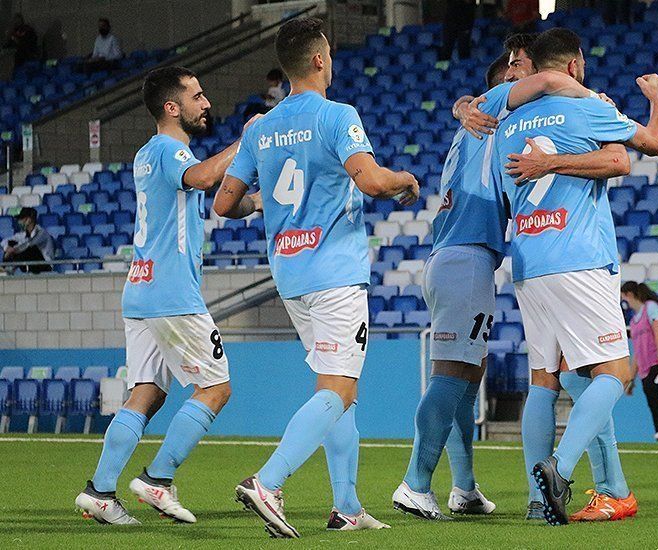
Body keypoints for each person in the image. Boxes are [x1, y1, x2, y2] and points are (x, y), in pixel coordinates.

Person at [215, 17, 419, 536]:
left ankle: (346, 507)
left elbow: (224, 203)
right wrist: (405, 180)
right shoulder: (336, 116)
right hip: (334, 271)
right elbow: (372, 181)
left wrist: (265, 203)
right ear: (320, 60)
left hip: (290, 273)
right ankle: (268, 481)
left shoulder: (261, 127)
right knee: (339, 386)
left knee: (339, 389)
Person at [391, 41, 601, 522]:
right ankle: (416, 482)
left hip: (453, 255)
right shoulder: (495, 115)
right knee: (451, 374)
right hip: (467, 257)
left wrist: (461, 104)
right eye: (512, 79)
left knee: (469, 375)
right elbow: (541, 84)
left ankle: (463, 487)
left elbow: (471, 103)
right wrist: (591, 98)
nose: (519, 81)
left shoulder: (475, 125)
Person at [493, 27, 658, 526]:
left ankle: (540, 499)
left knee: (547, 379)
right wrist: (654, 96)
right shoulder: (587, 105)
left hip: (527, 261)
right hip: (577, 258)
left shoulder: (507, 127)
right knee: (617, 372)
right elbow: (640, 150)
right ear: (572, 67)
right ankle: (560, 469)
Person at [74, 66, 256, 525]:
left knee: (148, 393)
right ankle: (158, 480)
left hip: (141, 290)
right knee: (215, 388)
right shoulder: (168, 151)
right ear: (172, 108)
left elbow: (214, 198)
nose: (206, 102)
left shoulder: (152, 156)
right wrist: (245, 142)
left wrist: (261, 203)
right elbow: (201, 179)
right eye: (197, 96)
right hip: (172, 294)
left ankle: (99, 491)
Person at [622, 281, 658, 443]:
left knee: (651, 389)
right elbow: (637, 353)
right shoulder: (633, 322)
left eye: (624, 298)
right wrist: (631, 379)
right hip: (646, 365)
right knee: (650, 394)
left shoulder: (651, 308)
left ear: (630, 295)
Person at [3, 207, 54, 273]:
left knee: (29, 249)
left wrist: (13, 250)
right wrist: (7, 248)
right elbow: (4, 241)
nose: (19, 221)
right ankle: (5, 269)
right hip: (31, 263)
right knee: (11, 243)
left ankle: (9, 268)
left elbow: (29, 244)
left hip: (45, 265)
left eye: (21, 219)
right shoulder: (23, 234)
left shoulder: (42, 233)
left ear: (29, 220)